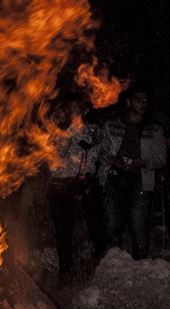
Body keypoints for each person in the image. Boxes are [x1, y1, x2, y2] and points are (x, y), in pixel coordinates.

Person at [98, 88, 166, 259]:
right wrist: (113, 159)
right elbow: (101, 150)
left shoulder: (154, 130)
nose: (143, 103)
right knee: (113, 220)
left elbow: (161, 158)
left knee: (138, 221)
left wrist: (144, 162)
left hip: (141, 178)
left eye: (145, 100)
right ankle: (113, 260)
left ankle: (140, 262)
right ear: (129, 102)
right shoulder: (112, 125)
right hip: (114, 176)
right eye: (138, 99)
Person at [48, 96, 105, 279]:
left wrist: (88, 174)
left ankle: (101, 266)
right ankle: (66, 271)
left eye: (78, 109)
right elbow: (56, 158)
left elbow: (95, 152)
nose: (75, 113)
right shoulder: (56, 131)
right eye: (71, 109)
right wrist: (71, 131)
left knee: (96, 226)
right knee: (64, 231)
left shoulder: (93, 130)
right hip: (62, 185)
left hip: (85, 183)